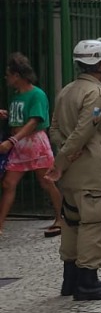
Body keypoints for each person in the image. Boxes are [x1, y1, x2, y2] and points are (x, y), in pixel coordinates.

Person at [46, 39, 101, 300]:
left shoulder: (67, 90)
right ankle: (88, 283)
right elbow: (84, 130)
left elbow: (54, 128)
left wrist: (64, 152)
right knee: (94, 223)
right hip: (91, 171)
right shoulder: (98, 94)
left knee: (72, 223)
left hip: (71, 177)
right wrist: (66, 156)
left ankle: (70, 281)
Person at [0, 53, 64, 238]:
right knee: (8, 183)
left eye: (8, 74)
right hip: (19, 144)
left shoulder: (37, 94)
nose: (6, 78)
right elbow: (22, 117)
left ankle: (60, 218)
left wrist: (13, 140)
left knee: (46, 182)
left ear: (17, 76)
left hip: (34, 143)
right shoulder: (16, 95)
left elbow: (34, 120)